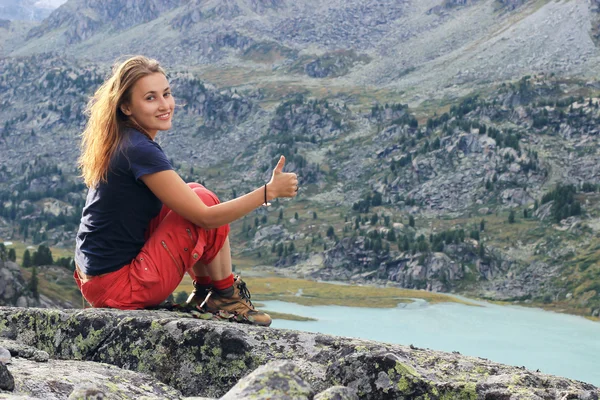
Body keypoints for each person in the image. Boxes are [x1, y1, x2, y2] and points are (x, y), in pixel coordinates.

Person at [73, 55, 298, 327]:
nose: (165, 105)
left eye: (166, 94)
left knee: (193, 191)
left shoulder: (124, 140)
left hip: (98, 282)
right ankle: (224, 295)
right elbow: (206, 218)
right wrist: (268, 192)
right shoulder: (139, 149)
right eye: (150, 98)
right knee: (204, 201)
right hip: (120, 287)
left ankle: (208, 291)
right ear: (126, 107)